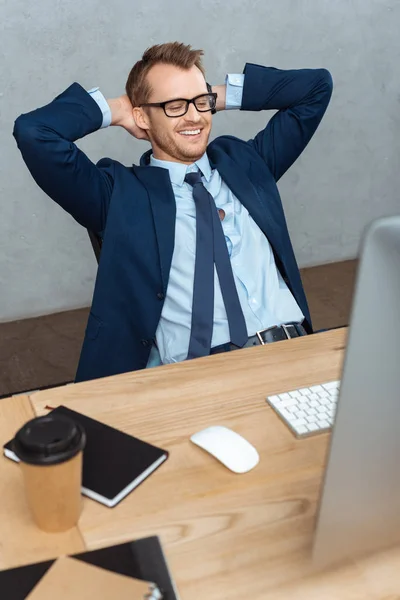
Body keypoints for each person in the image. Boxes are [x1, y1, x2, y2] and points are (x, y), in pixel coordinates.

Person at [13, 42, 333, 383]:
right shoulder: (117, 196)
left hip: (295, 352)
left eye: (200, 102)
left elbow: (316, 88)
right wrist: (121, 108)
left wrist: (211, 97)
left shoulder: (248, 165)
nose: (193, 116)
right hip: (199, 376)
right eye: (174, 106)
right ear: (142, 116)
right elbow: (35, 133)